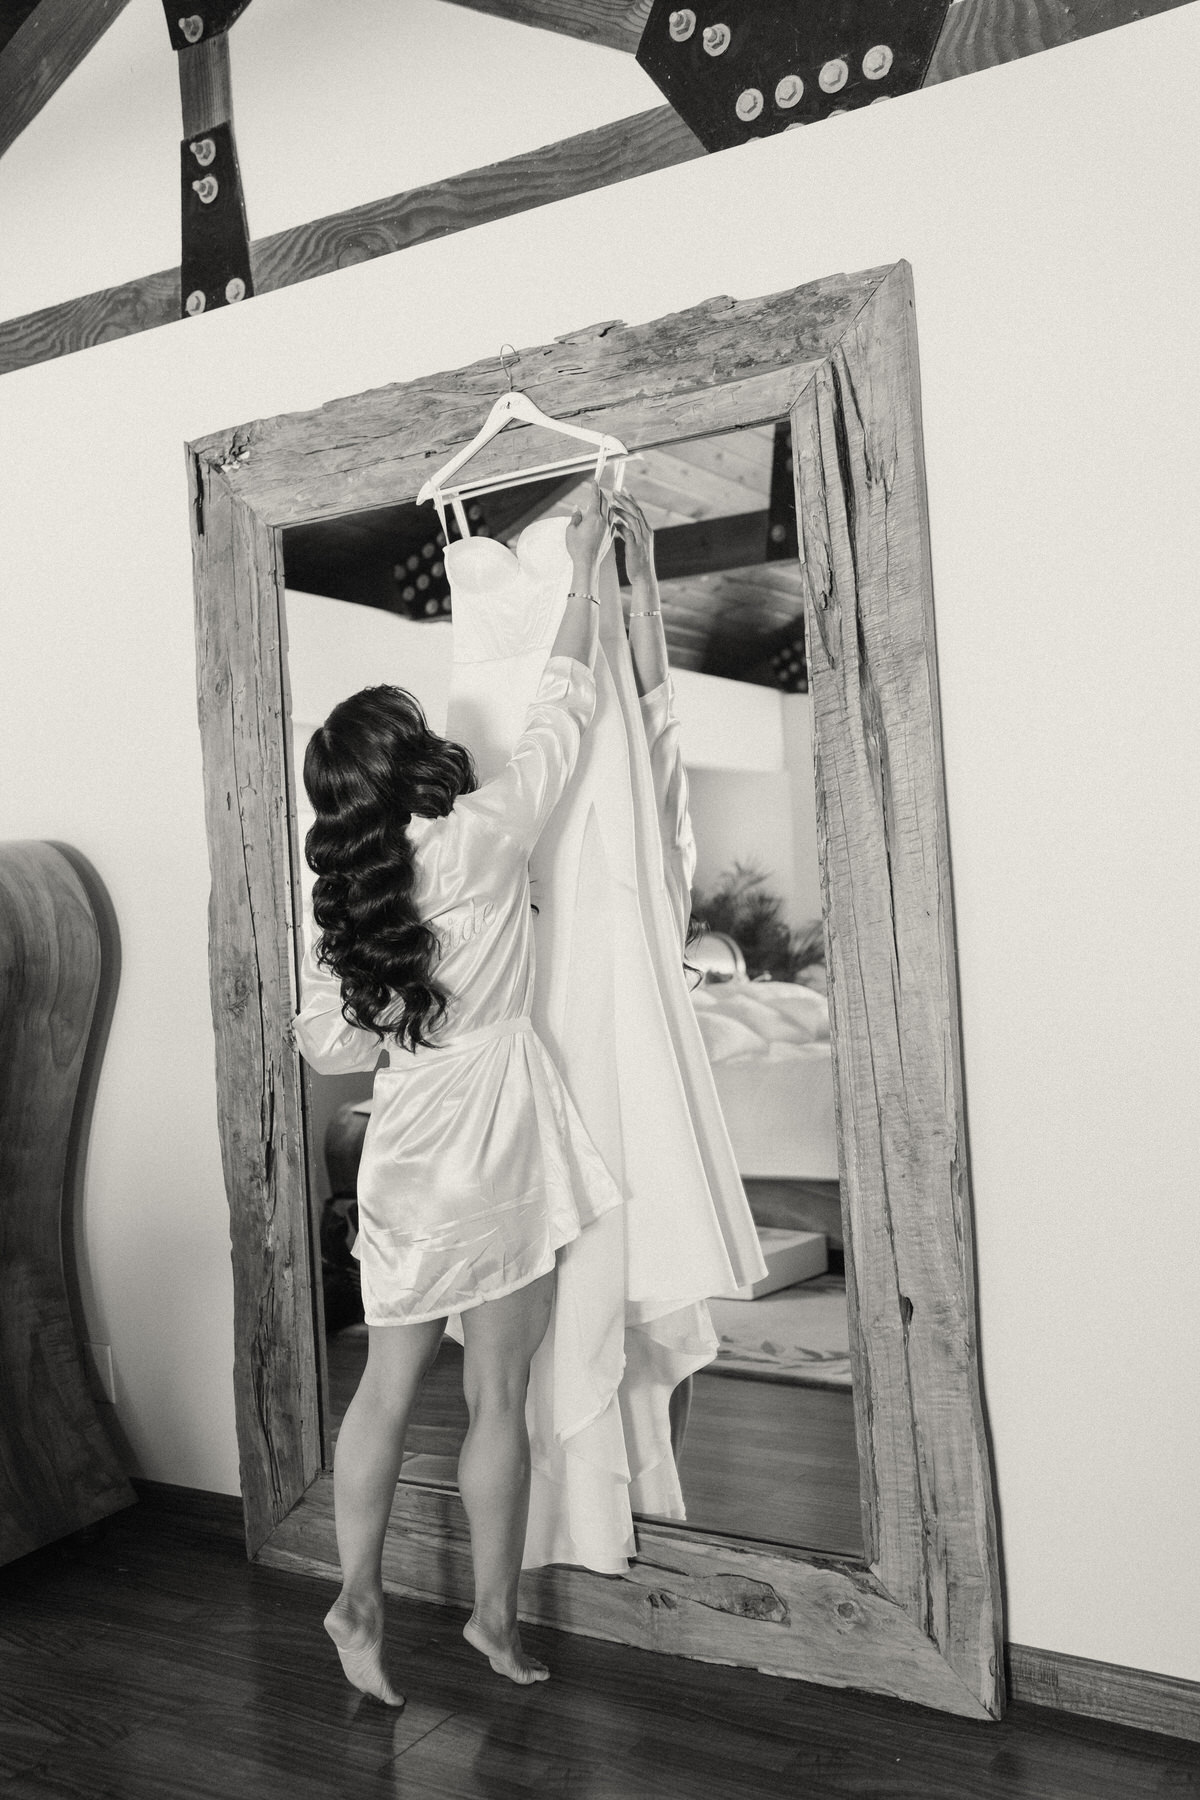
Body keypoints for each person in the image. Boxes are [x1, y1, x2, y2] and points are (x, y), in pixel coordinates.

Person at [291, 486, 616, 1706]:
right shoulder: (486, 833)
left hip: (412, 1144)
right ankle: (492, 1622)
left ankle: (356, 1597)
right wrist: (582, 574)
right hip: (505, 1135)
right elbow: (564, 708)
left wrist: (386, 1021)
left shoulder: (348, 904)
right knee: (498, 1399)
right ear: (411, 759)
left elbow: (327, 1045)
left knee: (384, 1386)